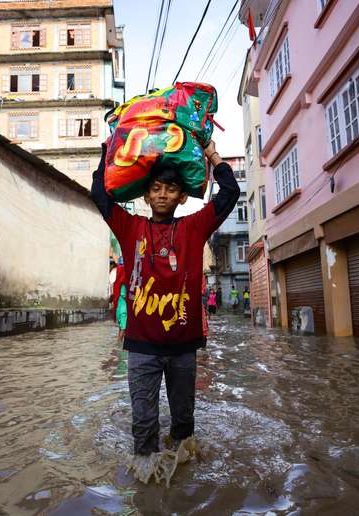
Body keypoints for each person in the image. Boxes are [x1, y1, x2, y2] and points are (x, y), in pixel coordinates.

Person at [90, 140, 239, 479]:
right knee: (143, 430)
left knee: (184, 426)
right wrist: (106, 154)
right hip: (141, 348)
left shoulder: (193, 227)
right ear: (146, 195)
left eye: (170, 189)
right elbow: (100, 196)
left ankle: (183, 482)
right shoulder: (130, 227)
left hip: (183, 348)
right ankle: (147, 491)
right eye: (155, 188)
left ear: (181, 196)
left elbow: (229, 193)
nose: (161, 195)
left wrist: (213, 153)